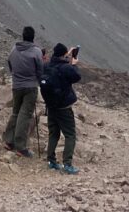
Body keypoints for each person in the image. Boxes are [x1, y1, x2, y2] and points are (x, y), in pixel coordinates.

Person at [41, 42, 82, 174]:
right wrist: (74, 64)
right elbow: (76, 76)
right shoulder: (66, 67)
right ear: (63, 55)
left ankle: (51, 160)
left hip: (51, 106)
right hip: (64, 107)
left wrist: (66, 56)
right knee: (70, 134)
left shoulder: (47, 65)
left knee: (54, 133)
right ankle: (67, 164)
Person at [3, 26, 43, 158]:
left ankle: (9, 141)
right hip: (30, 86)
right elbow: (40, 69)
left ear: (23, 35)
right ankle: (21, 147)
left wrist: (16, 75)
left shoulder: (14, 48)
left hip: (16, 85)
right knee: (25, 115)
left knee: (15, 112)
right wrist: (38, 80)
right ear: (33, 37)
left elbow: (9, 62)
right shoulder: (36, 51)